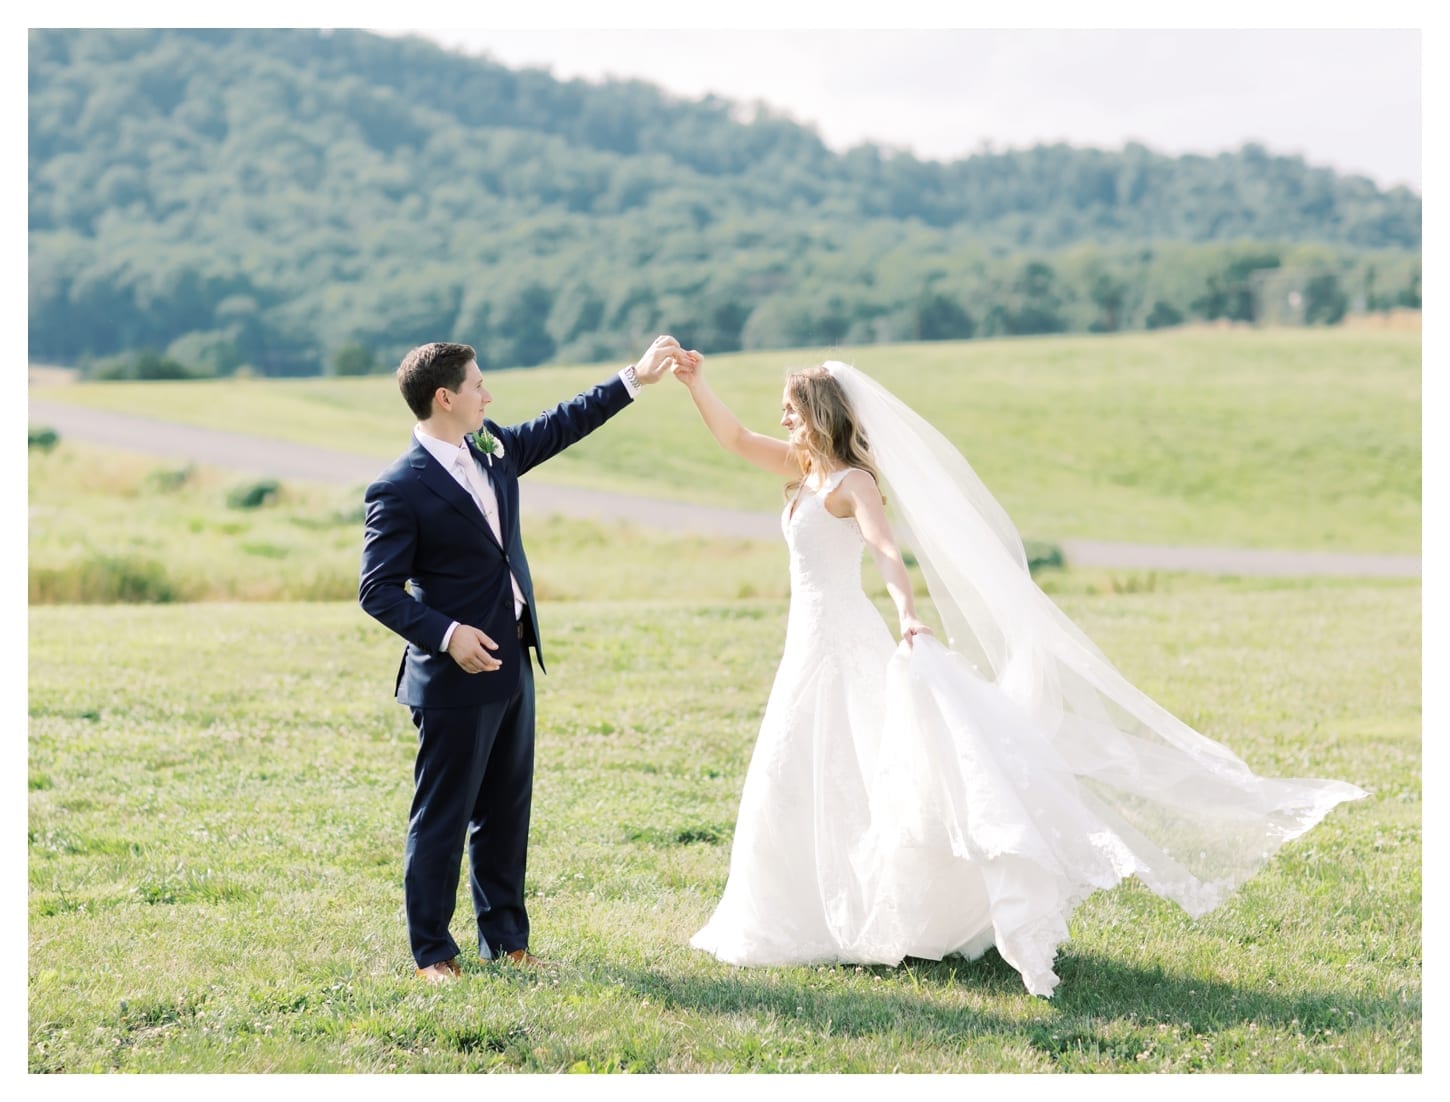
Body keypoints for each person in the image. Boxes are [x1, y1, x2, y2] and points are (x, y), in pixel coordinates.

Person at [671, 355, 1366, 997]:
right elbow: (733, 438)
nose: (783, 418)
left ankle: (878, 909)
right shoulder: (802, 470)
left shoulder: (853, 483)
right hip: (806, 642)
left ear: (818, 409)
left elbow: (886, 549)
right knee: (793, 770)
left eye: (791, 406)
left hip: (845, 639)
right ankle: (800, 911)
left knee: (861, 767)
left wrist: (909, 612)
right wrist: (694, 382)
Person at [359, 336, 689, 982]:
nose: (489, 394)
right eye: (478, 384)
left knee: (507, 811)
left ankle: (505, 940)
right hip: (453, 675)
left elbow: (564, 423)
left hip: (513, 659)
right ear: (445, 398)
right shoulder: (398, 488)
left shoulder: (494, 446)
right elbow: (376, 590)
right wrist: (447, 634)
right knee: (443, 817)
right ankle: (431, 951)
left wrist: (637, 378)